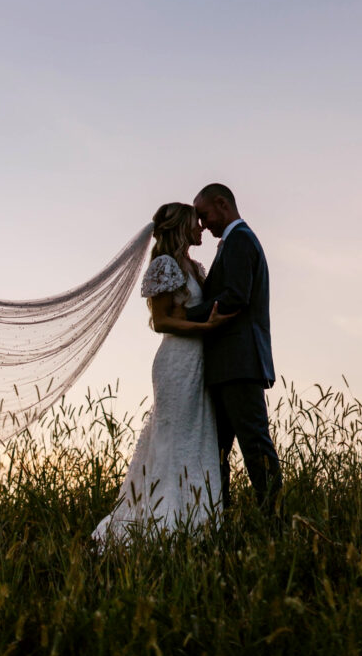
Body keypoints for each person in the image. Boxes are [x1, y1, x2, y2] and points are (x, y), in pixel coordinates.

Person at [91, 202, 233, 545]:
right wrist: (205, 326)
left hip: (198, 361)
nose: (201, 227)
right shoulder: (165, 264)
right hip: (176, 361)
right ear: (182, 227)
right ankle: (162, 521)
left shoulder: (192, 266)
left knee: (198, 436)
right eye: (195, 223)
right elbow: (160, 321)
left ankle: (196, 520)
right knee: (175, 438)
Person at [184, 184, 282, 515]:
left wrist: (183, 315)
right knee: (219, 450)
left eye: (204, 215)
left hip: (239, 363)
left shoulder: (240, 240)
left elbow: (235, 297)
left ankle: (274, 520)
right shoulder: (232, 242)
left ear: (222, 204)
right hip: (227, 364)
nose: (202, 224)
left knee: (254, 443)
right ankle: (220, 519)